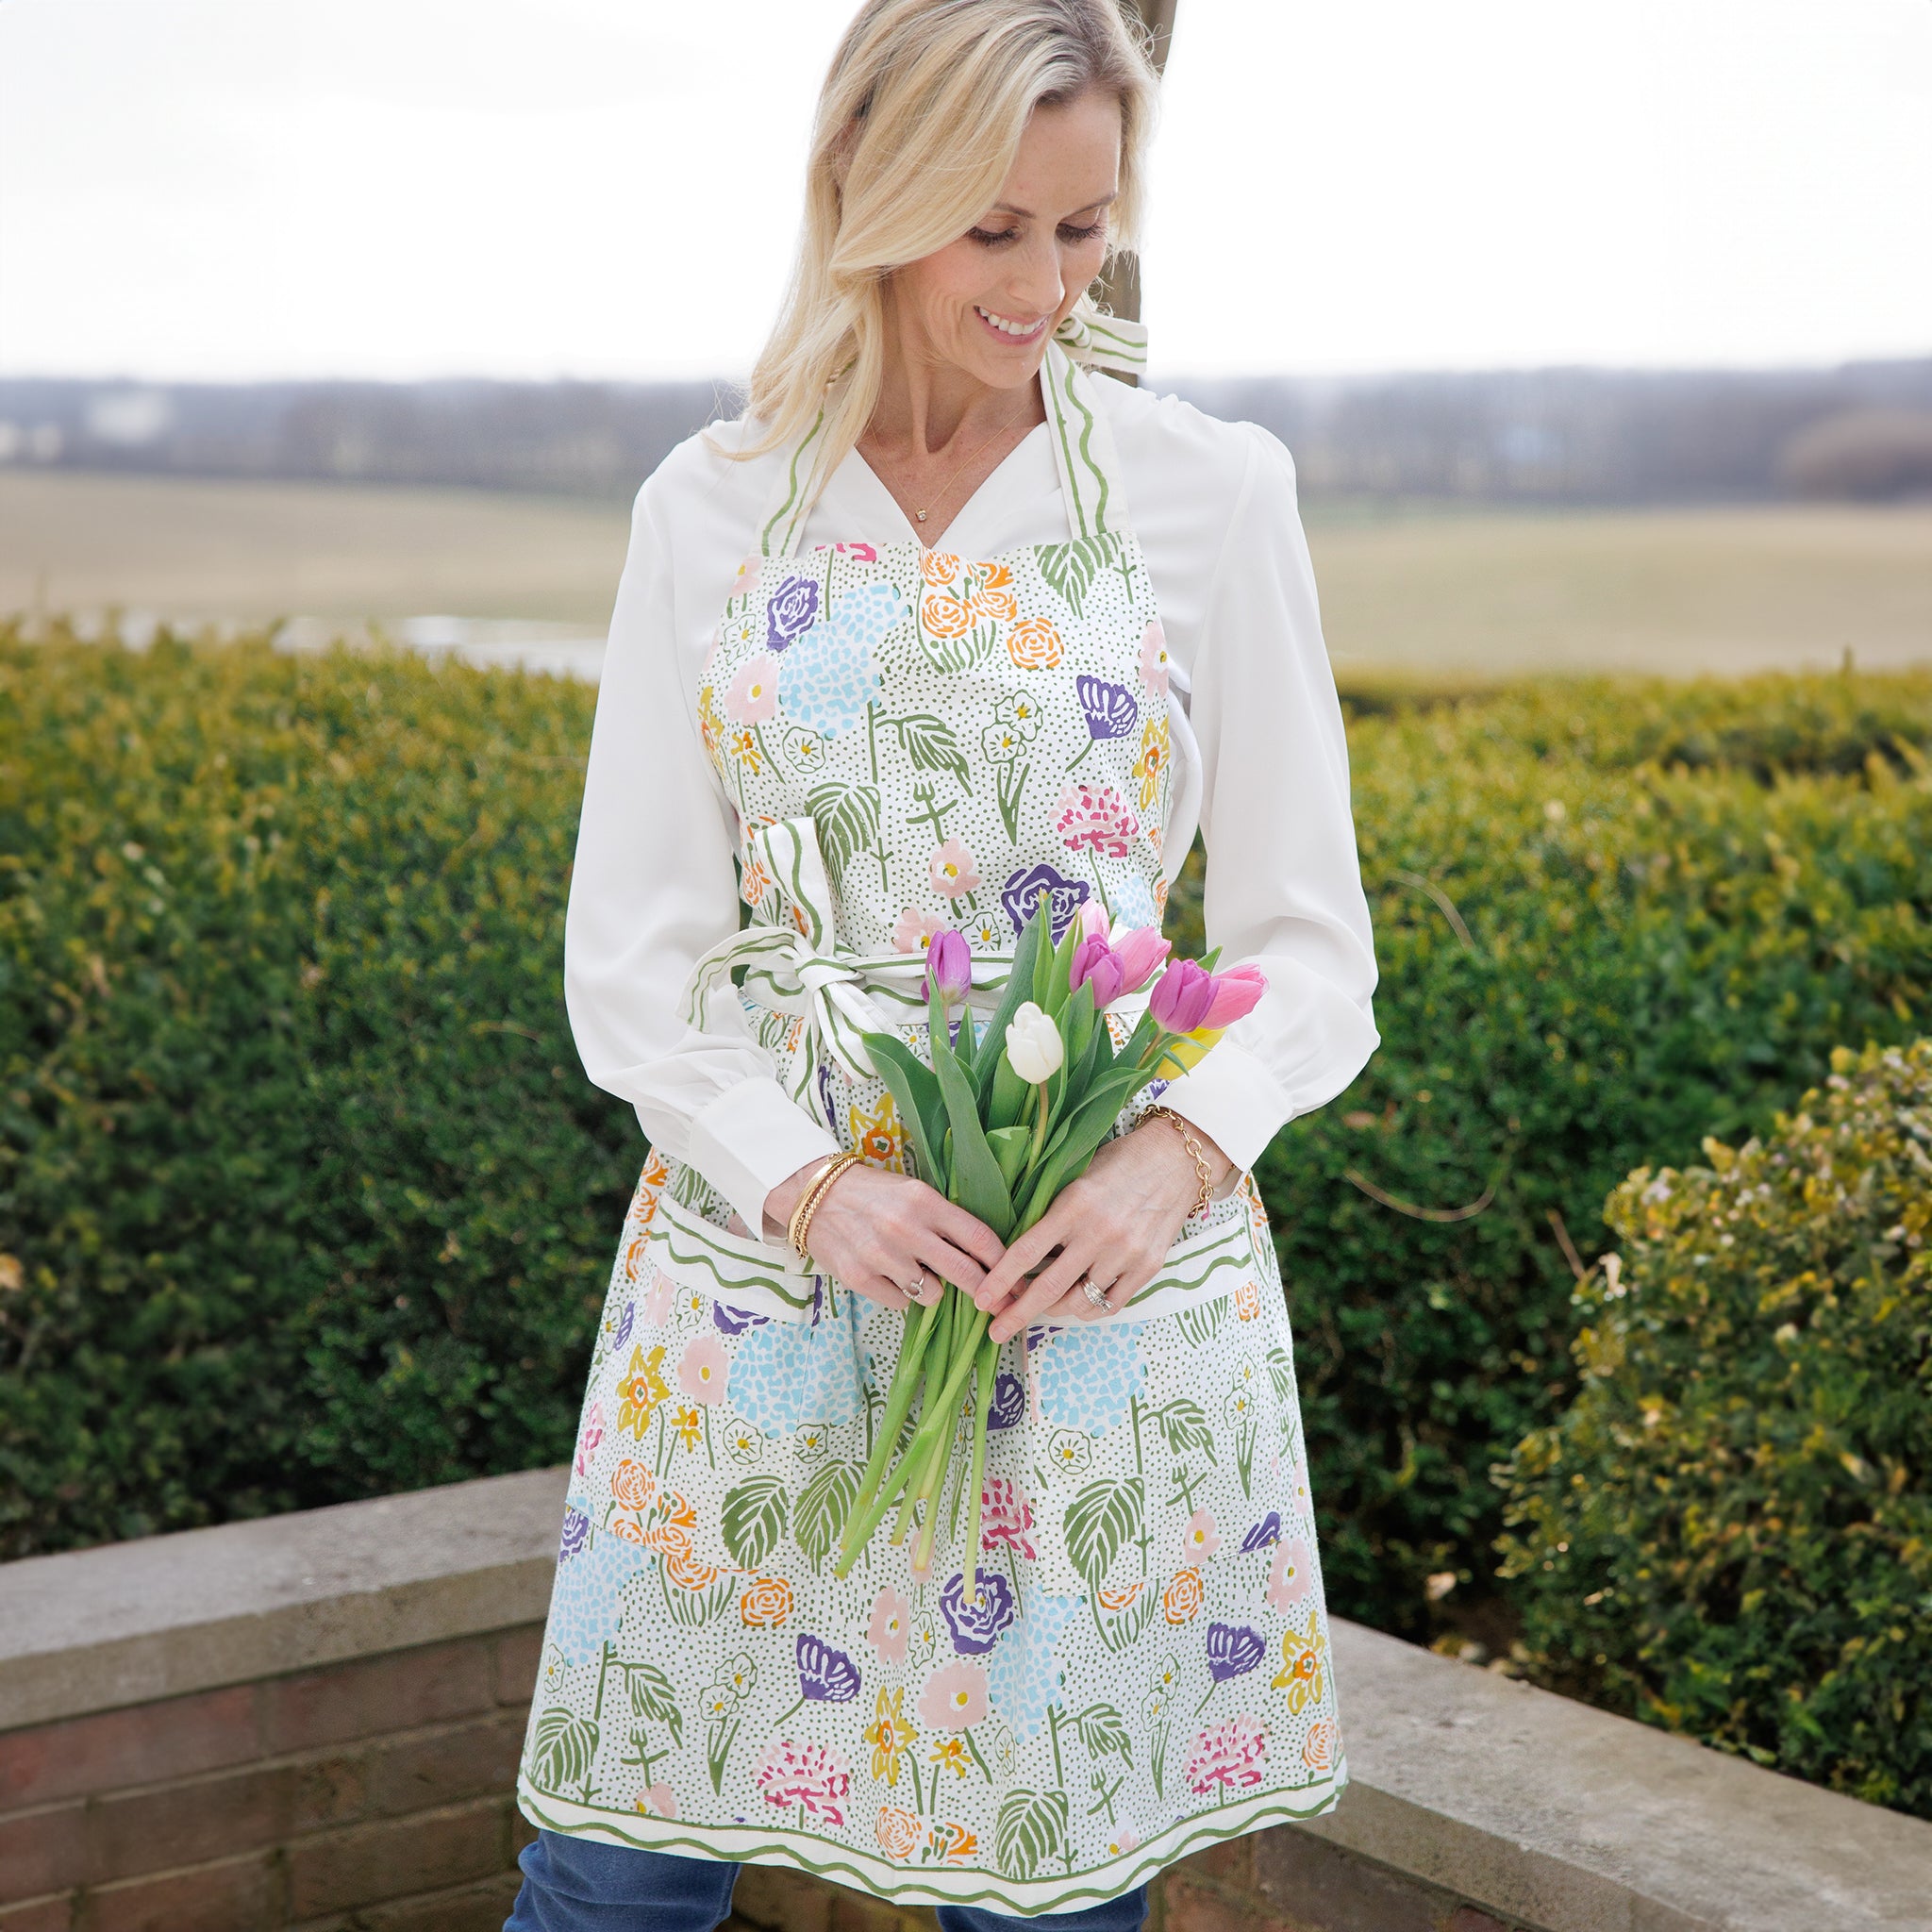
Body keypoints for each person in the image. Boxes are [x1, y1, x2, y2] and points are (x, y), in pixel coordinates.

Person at [508, 2, 1378, 1925]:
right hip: (755, 1278)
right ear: (865, 195)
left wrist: (1176, 1150)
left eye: (1083, 231)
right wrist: (806, 1184)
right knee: (616, 1867)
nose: (1046, 284)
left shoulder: (1207, 495)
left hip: (1082, 1296)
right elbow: (637, 959)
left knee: (1046, 1884)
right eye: (996, 228)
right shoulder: (710, 507)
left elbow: (1314, 949)